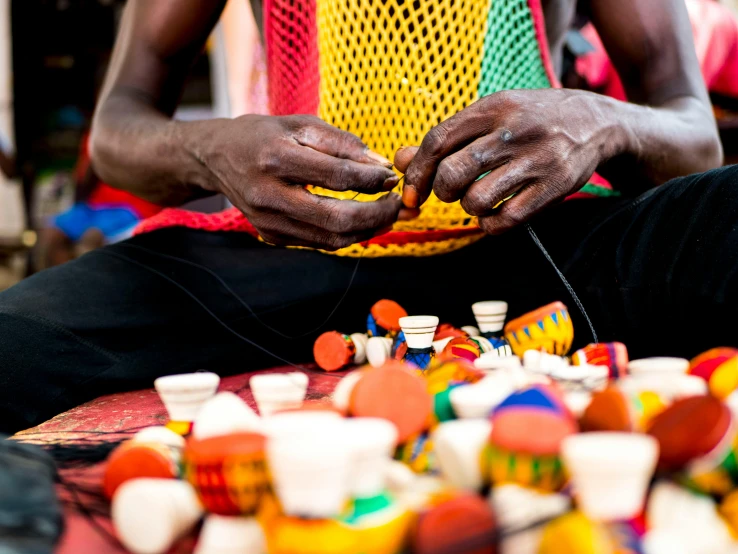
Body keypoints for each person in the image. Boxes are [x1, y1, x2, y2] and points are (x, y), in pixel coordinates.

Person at [0, 0, 729, 433]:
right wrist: (209, 150)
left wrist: (596, 120)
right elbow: (119, 127)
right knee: (17, 344)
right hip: (293, 251)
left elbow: (696, 136)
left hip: (537, 240)